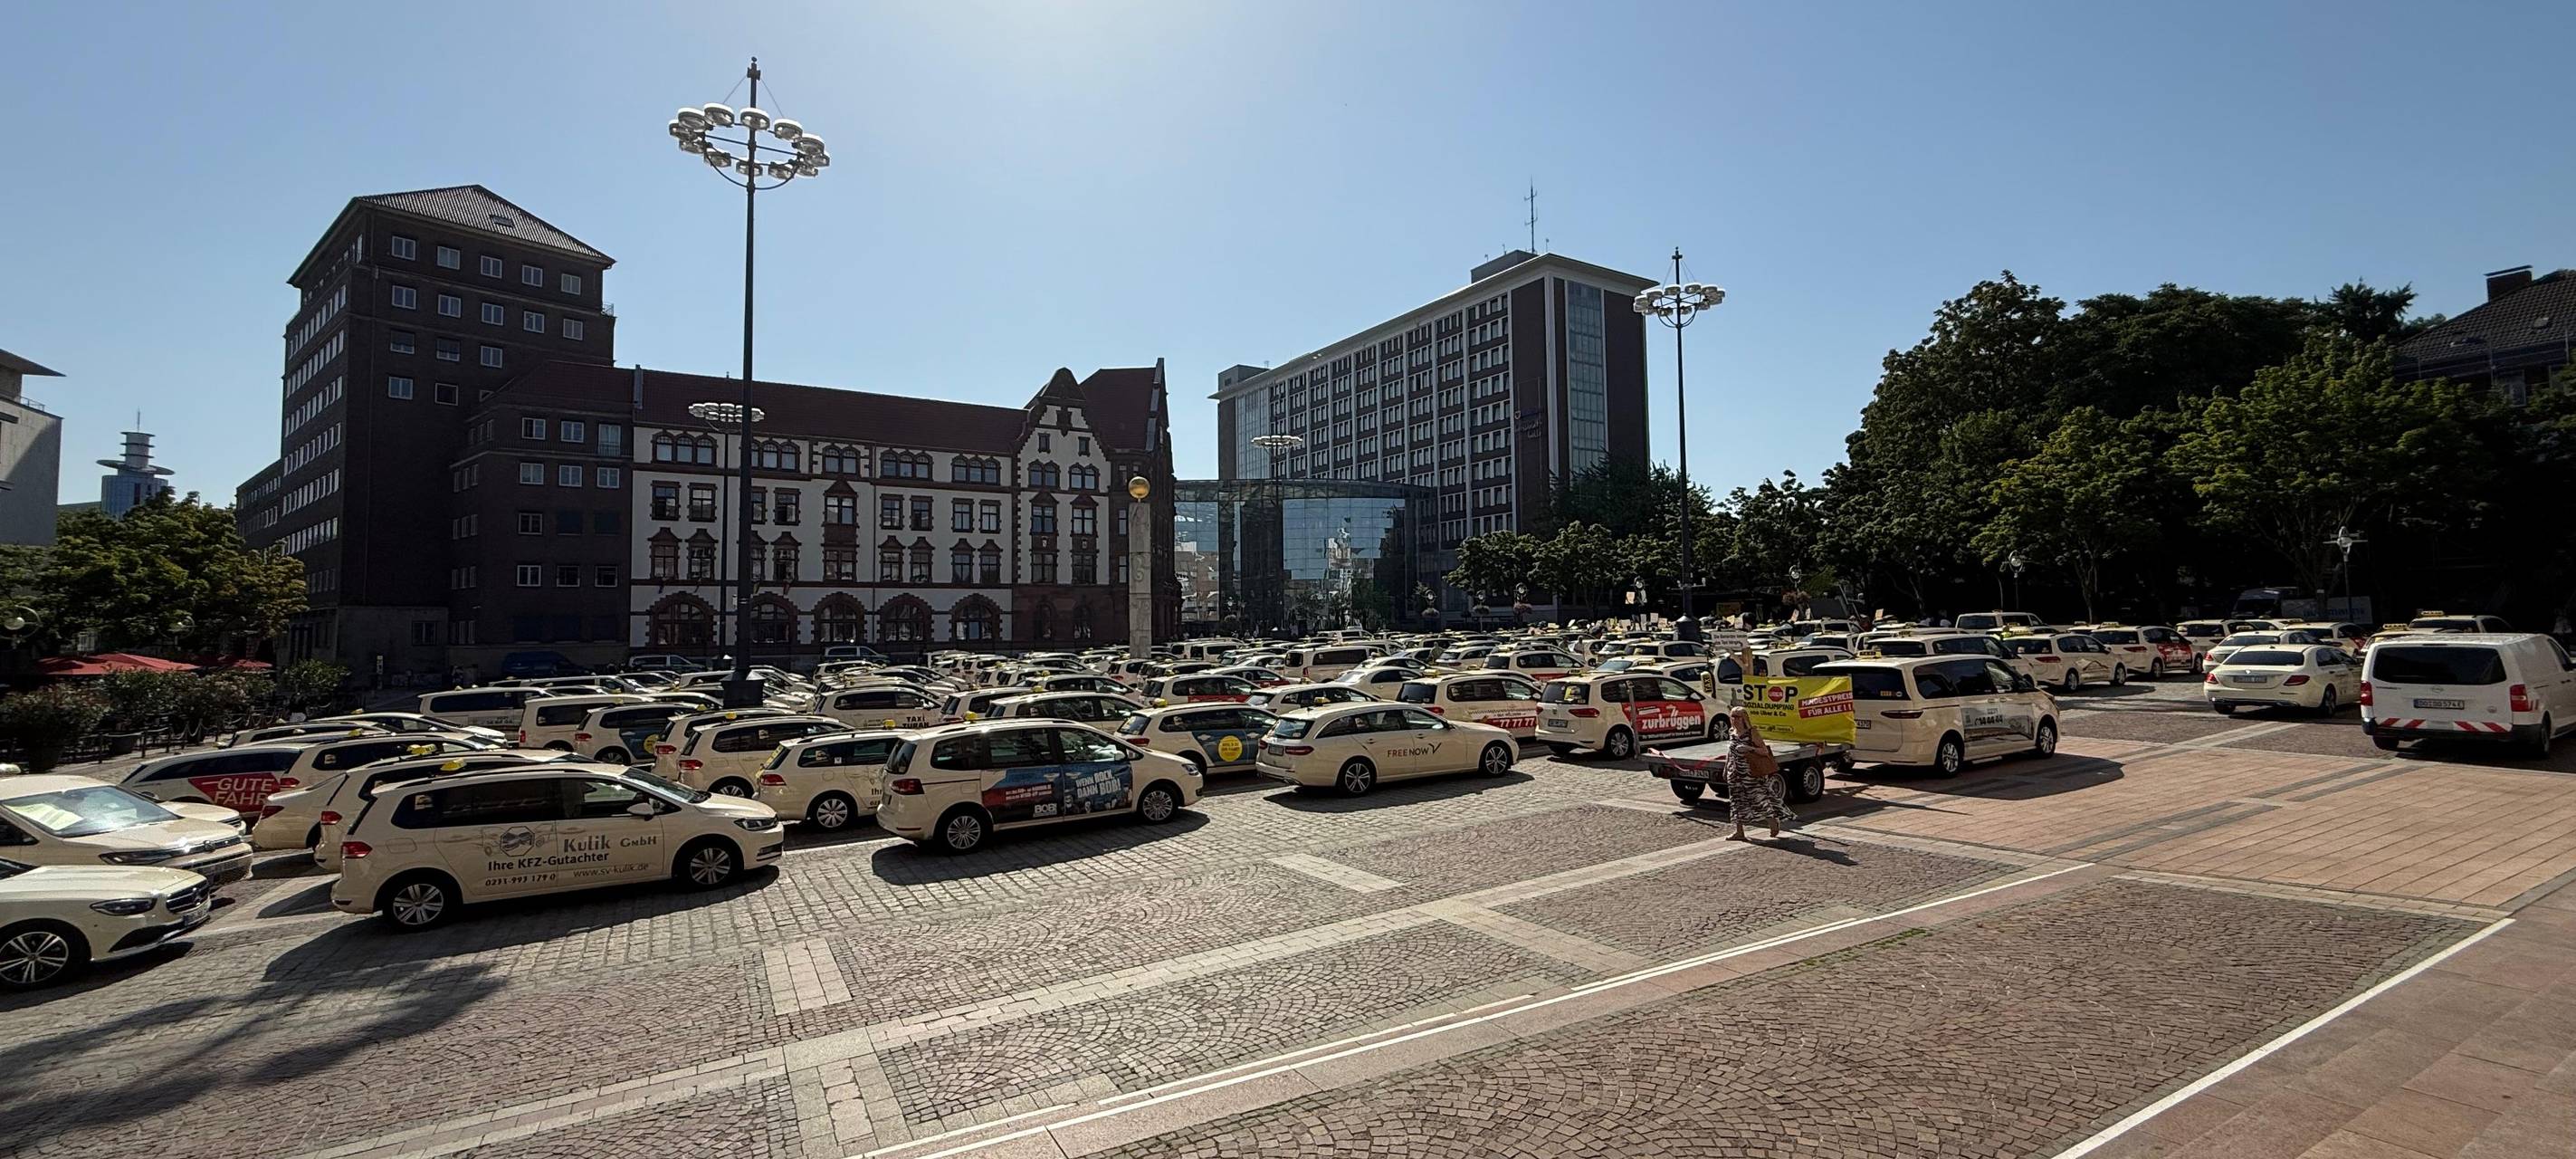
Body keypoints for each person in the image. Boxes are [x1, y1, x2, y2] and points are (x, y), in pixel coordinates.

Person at [1722, 705, 1794, 841]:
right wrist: (1726, 767)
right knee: (1736, 802)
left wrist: (1748, 748)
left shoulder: (1751, 733)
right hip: (1735, 773)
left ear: (1744, 719)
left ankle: (1772, 821)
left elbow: (1764, 751)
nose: (1734, 720)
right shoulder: (1732, 732)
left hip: (1751, 773)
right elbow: (1730, 752)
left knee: (1758, 799)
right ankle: (1739, 831)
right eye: (1732, 716)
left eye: (1737, 717)